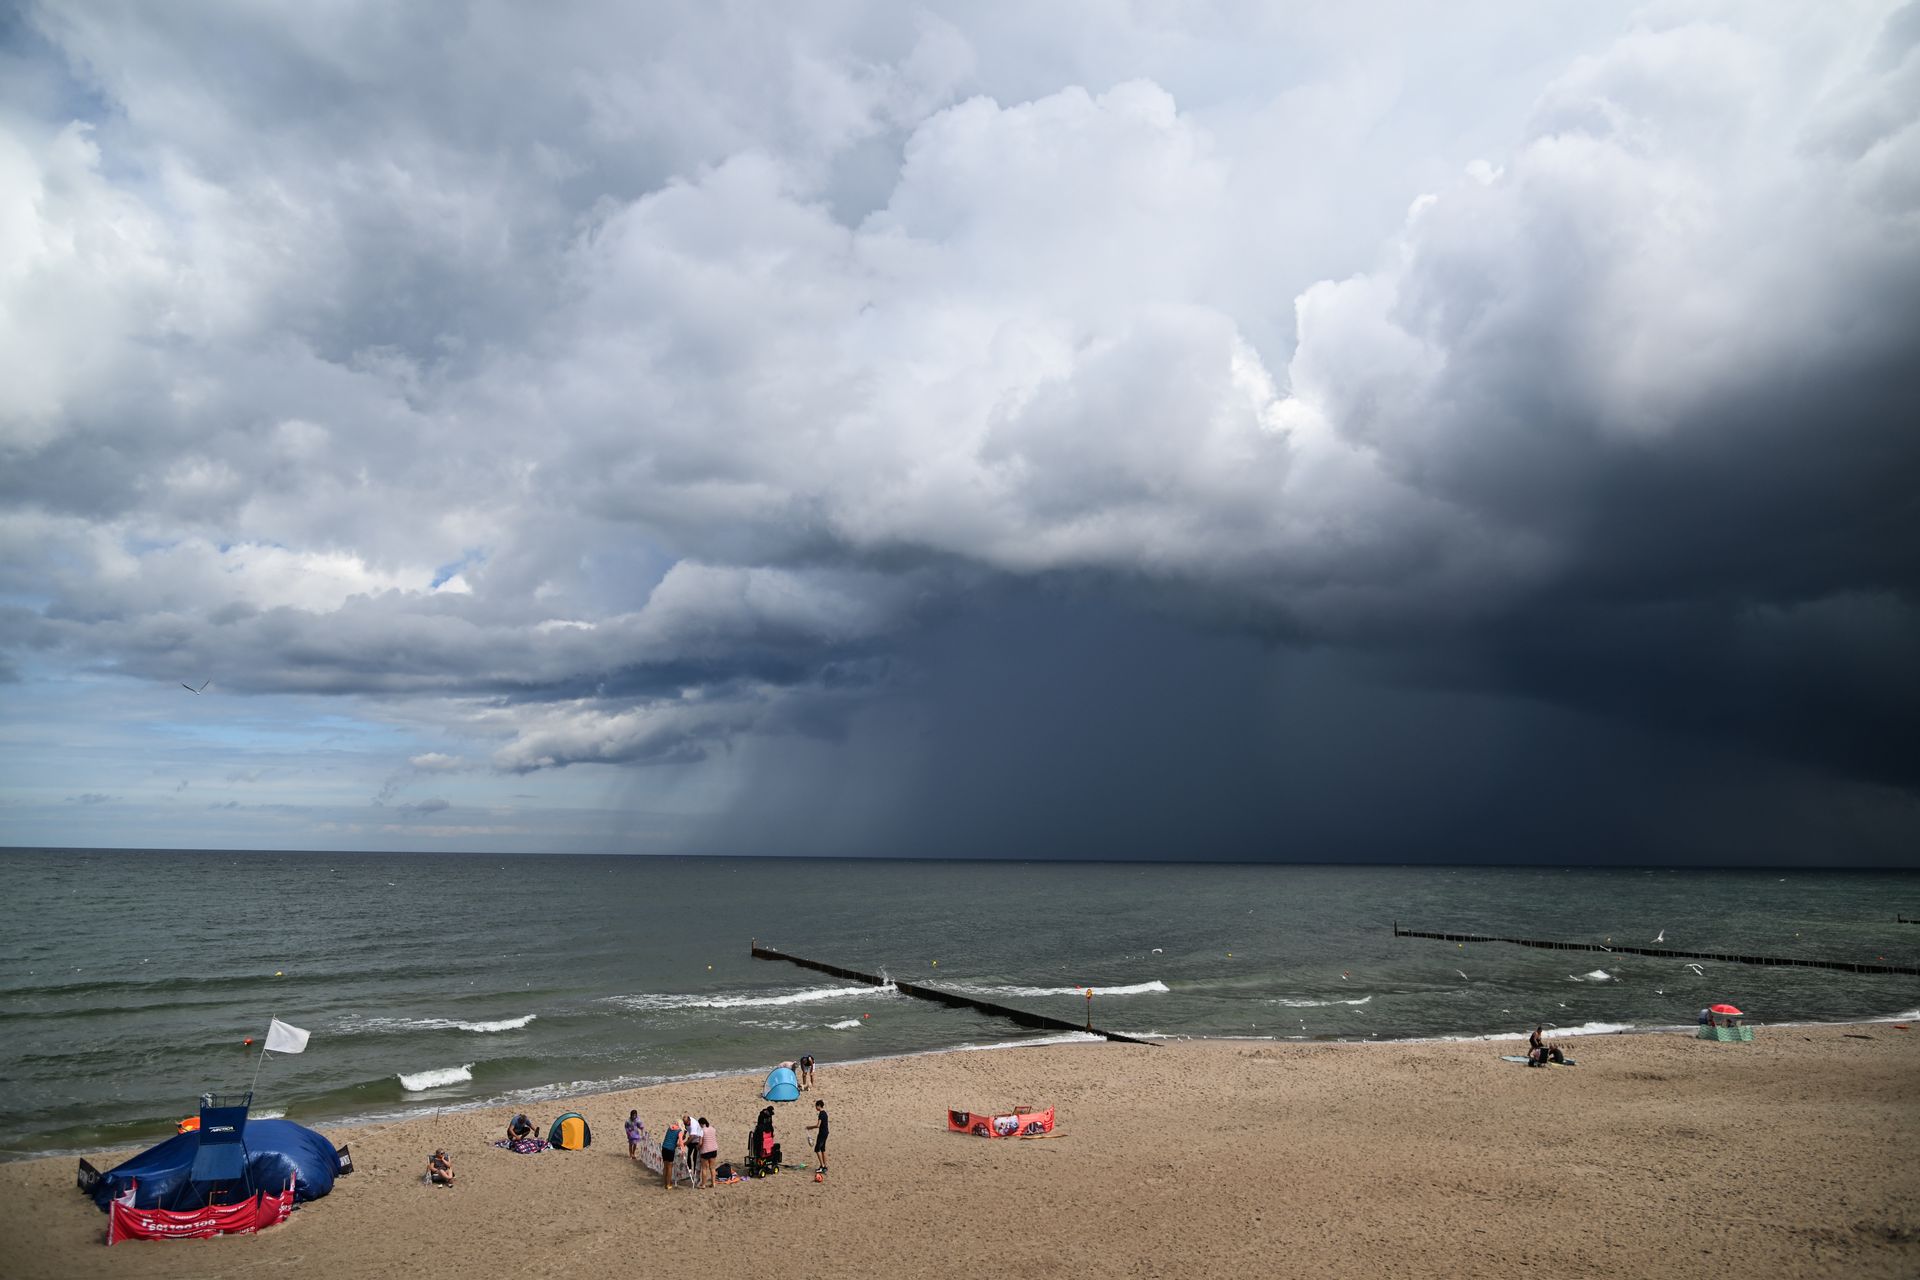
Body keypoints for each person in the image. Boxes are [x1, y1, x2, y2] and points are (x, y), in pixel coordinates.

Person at [805, 1098, 829, 1173]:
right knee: (823, 1149)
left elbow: (818, 1125)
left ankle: (822, 1166)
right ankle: (825, 1166)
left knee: (817, 1149)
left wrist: (809, 1127)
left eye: (816, 1106)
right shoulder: (825, 1113)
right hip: (826, 1133)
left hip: (822, 1134)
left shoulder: (821, 1114)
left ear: (819, 1106)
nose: (815, 1107)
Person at [660, 1117, 683, 1190]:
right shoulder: (679, 1131)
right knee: (670, 1167)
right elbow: (680, 1142)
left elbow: (668, 1138)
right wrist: (682, 1149)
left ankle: (664, 1182)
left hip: (664, 1147)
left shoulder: (669, 1128)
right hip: (670, 1149)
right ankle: (668, 1184)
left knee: (665, 1166)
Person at [698, 1116, 718, 1187]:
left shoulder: (702, 1131)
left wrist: (698, 1147)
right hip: (714, 1149)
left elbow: (700, 1143)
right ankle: (713, 1183)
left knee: (704, 1168)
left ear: (701, 1124)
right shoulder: (712, 1129)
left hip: (705, 1151)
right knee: (712, 1168)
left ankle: (703, 1184)